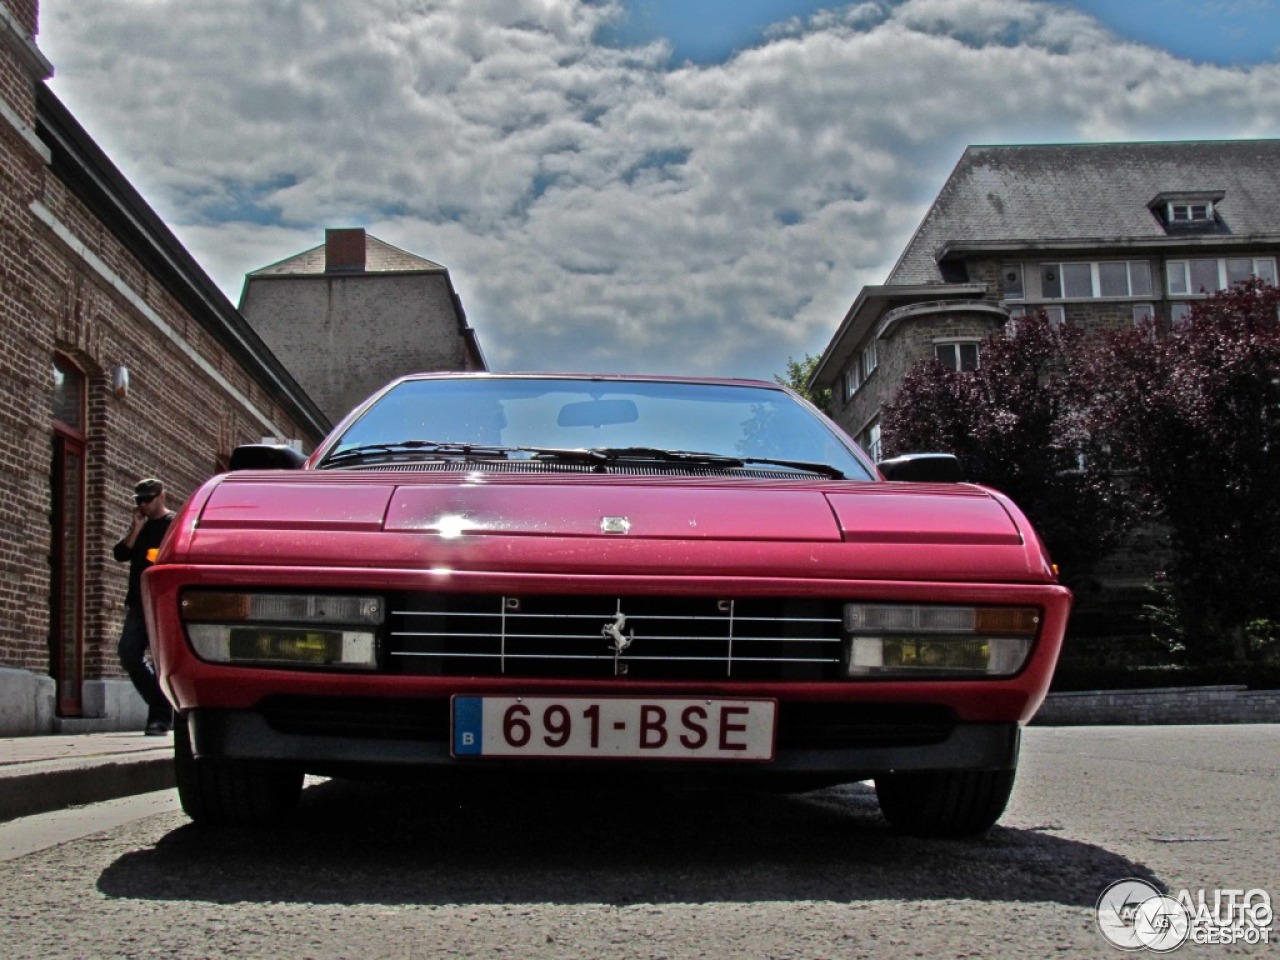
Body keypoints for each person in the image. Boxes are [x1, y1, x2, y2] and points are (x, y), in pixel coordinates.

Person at [113, 478, 176, 735]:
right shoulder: (142, 526)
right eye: (139, 500)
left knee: (162, 661)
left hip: (163, 601)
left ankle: (160, 718)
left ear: (162, 496)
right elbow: (120, 553)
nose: (143, 505)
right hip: (139, 603)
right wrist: (136, 528)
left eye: (148, 499)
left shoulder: (173, 524)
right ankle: (163, 707)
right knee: (128, 653)